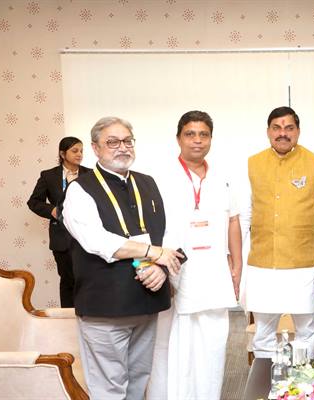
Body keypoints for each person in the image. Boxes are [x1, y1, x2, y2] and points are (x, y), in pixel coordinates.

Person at [62, 116, 183, 400]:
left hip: (146, 302)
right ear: (95, 148)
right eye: (113, 142)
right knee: (109, 389)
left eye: (128, 141)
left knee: (139, 382)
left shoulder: (147, 183)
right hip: (106, 307)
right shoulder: (80, 189)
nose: (123, 147)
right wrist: (153, 253)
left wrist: (162, 269)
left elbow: (167, 232)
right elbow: (97, 241)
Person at [157, 111, 242, 400]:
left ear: (211, 139)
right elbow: (153, 227)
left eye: (203, 134)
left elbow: (233, 221)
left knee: (214, 343)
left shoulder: (222, 178)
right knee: (179, 344)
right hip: (178, 270)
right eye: (190, 134)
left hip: (214, 271)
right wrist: (160, 268)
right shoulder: (162, 178)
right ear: (178, 138)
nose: (197, 140)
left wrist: (237, 266)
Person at [241, 106, 314, 360]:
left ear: (298, 131)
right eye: (277, 128)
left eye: (289, 128)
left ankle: (301, 381)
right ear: (268, 131)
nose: (283, 133)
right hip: (262, 265)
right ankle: (266, 380)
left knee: (306, 331)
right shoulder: (252, 164)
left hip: (304, 265)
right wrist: (237, 263)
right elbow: (244, 217)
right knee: (263, 333)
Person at [27, 137, 90, 307]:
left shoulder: (91, 175)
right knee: (68, 281)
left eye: (81, 151)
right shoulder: (48, 176)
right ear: (62, 154)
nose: (79, 154)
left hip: (87, 237)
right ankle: (68, 318)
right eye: (74, 151)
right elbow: (34, 202)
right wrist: (52, 211)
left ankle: (90, 316)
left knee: (88, 280)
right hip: (61, 238)